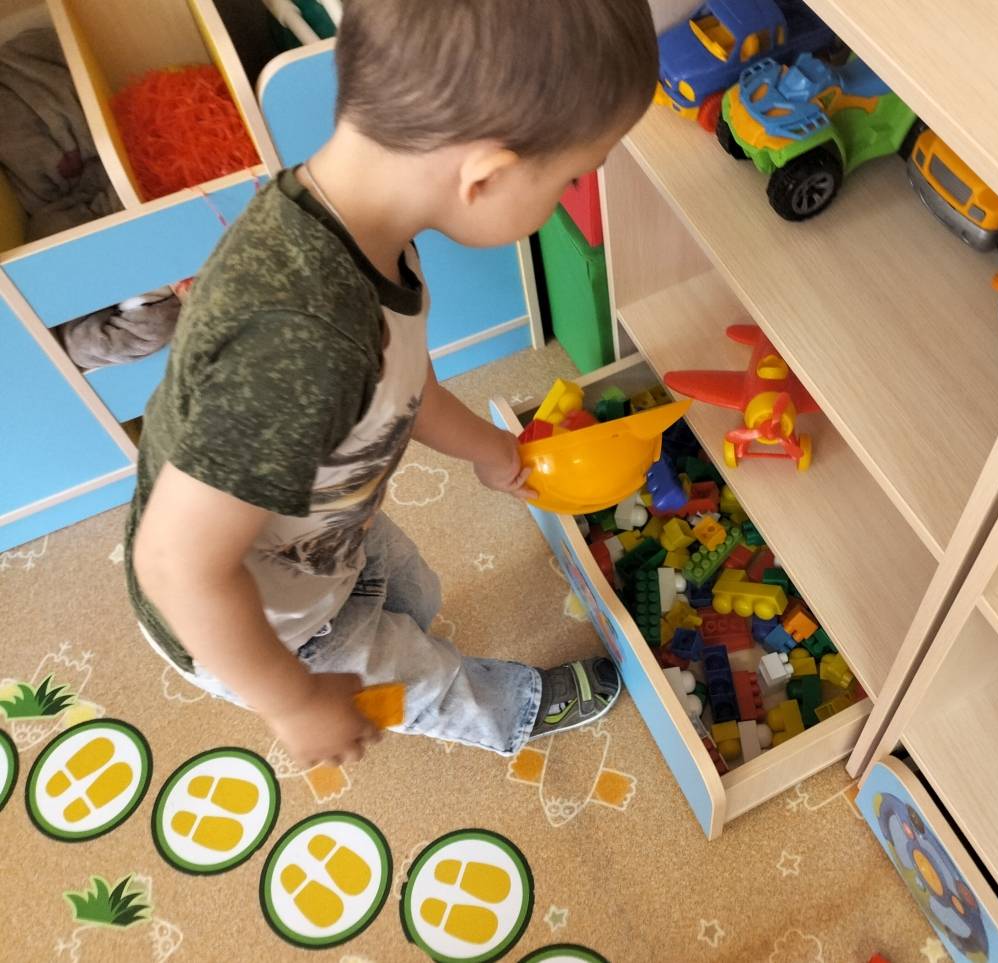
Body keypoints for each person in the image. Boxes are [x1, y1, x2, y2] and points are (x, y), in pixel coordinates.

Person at [126, 0, 659, 769]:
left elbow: (405, 384)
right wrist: (292, 699)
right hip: (264, 618)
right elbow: (176, 565)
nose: (573, 192)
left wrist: (491, 449)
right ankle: (512, 707)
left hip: (324, 533)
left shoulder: (365, 226)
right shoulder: (300, 342)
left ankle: (384, 625)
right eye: (573, 176)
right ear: (487, 176)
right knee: (421, 681)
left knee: (407, 592)